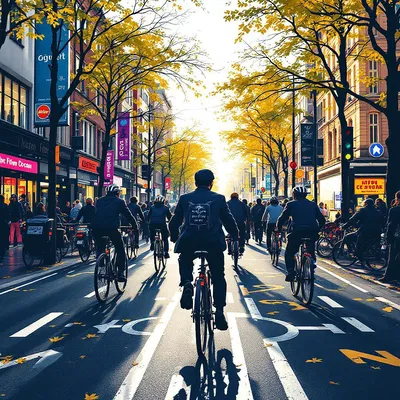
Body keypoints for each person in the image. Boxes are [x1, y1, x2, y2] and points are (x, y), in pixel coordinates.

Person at [169, 169, 239, 330]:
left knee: (185, 259)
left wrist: (174, 237)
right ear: (211, 183)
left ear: (195, 182)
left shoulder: (185, 198)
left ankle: (187, 282)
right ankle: (219, 310)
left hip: (189, 241)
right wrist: (235, 235)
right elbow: (229, 220)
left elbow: (174, 222)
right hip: (212, 242)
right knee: (218, 276)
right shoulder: (219, 198)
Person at [276, 186, 326, 281]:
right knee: (310, 247)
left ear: (294, 195)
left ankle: (291, 272)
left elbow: (282, 218)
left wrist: (278, 228)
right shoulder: (313, 205)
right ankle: (311, 262)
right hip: (312, 232)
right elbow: (321, 219)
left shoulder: (291, 204)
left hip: (297, 232)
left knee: (289, 252)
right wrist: (318, 229)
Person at [91, 185, 138, 282]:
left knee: (100, 245)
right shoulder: (120, 201)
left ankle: (100, 260)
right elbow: (127, 214)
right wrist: (135, 226)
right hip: (111, 228)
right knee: (120, 248)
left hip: (97, 228)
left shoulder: (99, 201)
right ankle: (120, 273)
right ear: (117, 193)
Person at [342, 198, 384, 263]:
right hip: (376, 233)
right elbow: (382, 222)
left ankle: (355, 254)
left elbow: (353, 219)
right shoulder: (378, 212)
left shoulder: (363, 210)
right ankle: (362, 255)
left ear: (366, 204)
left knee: (347, 237)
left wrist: (345, 226)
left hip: (364, 232)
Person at [380, 191, 400, 282]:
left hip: (397, 237)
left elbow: (390, 225)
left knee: (392, 257)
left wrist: (387, 238)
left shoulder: (394, 210)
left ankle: (389, 277)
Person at [0, 195, 10, 263]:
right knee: (3, 238)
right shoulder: (5, 206)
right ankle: (2, 252)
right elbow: (8, 215)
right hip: (3, 224)